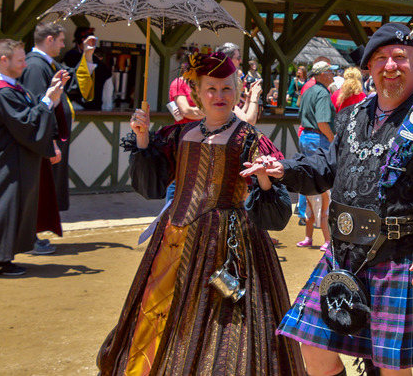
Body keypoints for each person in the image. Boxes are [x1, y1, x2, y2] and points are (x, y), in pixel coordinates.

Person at [258, 22, 413, 375]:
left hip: (398, 256)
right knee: (312, 347)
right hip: (342, 254)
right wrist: (284, 168)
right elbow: (325, 169)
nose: (391, 65)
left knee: (390, 365)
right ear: (369, 69)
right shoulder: (353, 115)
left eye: (400, 57)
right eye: (381, 59)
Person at [96, 51, 304, 375]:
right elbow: (151, 186)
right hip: (172, 241)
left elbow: (276, 214)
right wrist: (141, 137)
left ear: (237, 91)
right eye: (211, 89)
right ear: (197, 92)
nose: (219, 96)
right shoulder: (180, 134)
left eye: (226, 88)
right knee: (161, 312)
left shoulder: (251, 140)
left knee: (223, 328)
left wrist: (263, 180)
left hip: (230, 247)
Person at [18, 22, 96, 254]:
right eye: (61, 40)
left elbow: (72, 77)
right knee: (34, 189)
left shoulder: (47, 64)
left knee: (40, 189)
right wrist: (49, 140)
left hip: (45, 140)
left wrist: (88, 53)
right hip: (40, 142)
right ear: (49, 39)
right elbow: (39, 107)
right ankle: (27, 238)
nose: (63, 45)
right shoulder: (34, 67)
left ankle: (30, 235)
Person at [0, 39, 67, 276]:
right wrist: (47, 99)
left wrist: (53, 96)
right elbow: (26, 123)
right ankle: (1, 259)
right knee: (5, 207)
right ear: (3, 60)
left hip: (18, 159)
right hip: (8, 161)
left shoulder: (14, 87)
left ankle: (4, 258)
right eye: (20, 60)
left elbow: (31, 114)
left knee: (13, 208)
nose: (25, 65)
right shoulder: (3, 91)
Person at [294, 60, 336, 252]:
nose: (333, 75)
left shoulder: (308, 89)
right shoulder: (322, 93)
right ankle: (326, 237)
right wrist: (333, 139)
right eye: (330, 72)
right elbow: (323, 122)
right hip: (318, 138)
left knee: (310, 184)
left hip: (306, 136)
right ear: (321, 74)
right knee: (324, 188)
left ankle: (307, 225)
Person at [62, 27, 114, 111]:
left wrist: (106, 109)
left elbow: (107, 87)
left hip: (94, 106)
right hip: (76, 105)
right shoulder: (70, 57)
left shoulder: (100, 65)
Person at [216, 42, 262, 125]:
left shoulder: (220, 79)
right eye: (238, 58)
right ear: (228, 60)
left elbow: (237, 115)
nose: (240, 61)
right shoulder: (224, 83)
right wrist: (254, 97)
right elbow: (248, 122)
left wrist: (248, 98)